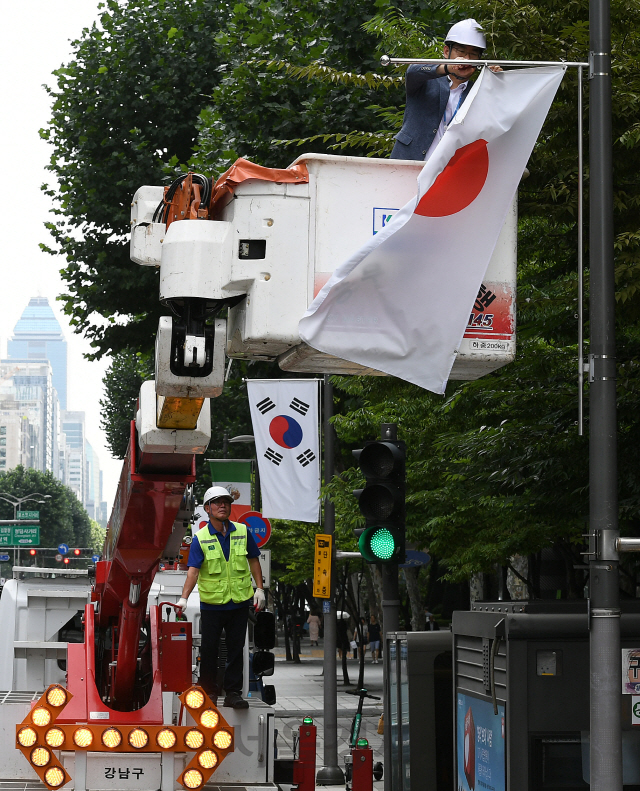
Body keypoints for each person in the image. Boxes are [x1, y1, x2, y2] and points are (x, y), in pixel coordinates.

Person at [177, 486, 265, 709]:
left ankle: (233, 693)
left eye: (225, 502)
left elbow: (254, 560)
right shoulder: (200, 538)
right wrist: (184, 598)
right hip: (212, 605)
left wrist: (260, 589)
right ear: (207, 509)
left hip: (239, 602)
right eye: (216, 502)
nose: (222, 506)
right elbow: (193, 571)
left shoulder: (243, 532)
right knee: (209, 650)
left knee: (236, 650)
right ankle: (209, 693)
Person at [390, 19, 501, 162]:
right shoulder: (426, 82)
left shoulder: (479, 91)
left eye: (473, 54)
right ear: (446, 51)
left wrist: (497, 82)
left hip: (451, 172)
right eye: (461, 51)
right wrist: (448, 67)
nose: (466, 59)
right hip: (409, 163)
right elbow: (413, 71)